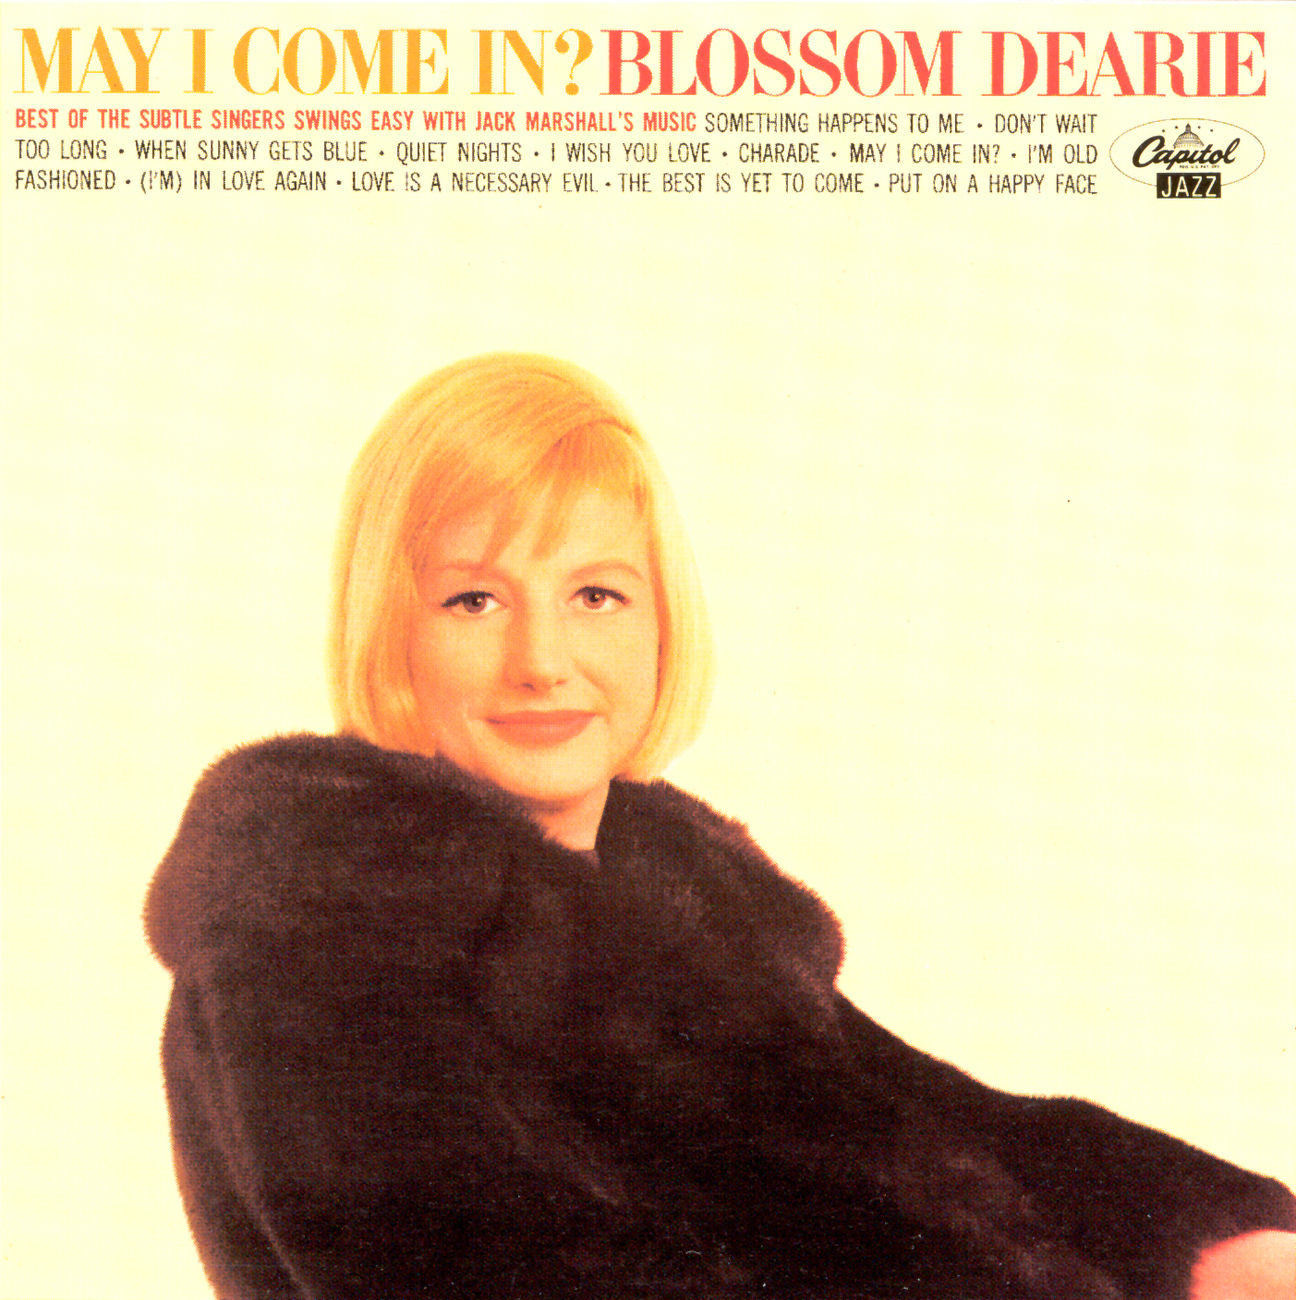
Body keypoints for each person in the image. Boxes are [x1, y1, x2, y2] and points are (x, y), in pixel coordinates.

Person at [147, 354, 1294, 1300]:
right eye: (474, 599)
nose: (543, 660)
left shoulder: (674, 896)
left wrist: (1209, 1236)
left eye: (596, 594)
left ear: (660, 623)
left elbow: (926, 1125)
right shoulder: (322, 914)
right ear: (391, 630)